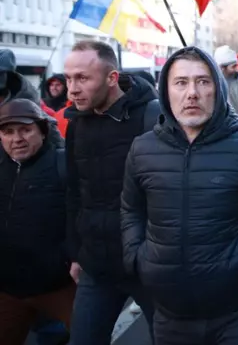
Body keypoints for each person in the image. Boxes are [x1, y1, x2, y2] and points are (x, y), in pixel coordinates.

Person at [121, 46, 238, 345]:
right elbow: (130, 209)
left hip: (237, 311)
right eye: (181, 82)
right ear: (165, 91)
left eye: (203, 82)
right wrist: (138, 258)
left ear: (217, 89)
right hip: (169, 313)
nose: (192, 92)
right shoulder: (142, 149)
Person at [63, 40, 159, 345]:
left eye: (82, 78)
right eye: (68, 78)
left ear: (112, 78)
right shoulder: (76, 124)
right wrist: (76, 253)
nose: (72, 89)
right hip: (96, 265)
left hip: (149, 265)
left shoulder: (152, 118)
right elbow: (74, 192)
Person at [0, 100, 74, 345]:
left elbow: (85, 217)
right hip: (9, 288)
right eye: (8, 132)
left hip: (57, 286)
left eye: (25, 129)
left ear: (42, 131)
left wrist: (71, 257)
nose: (17, 138)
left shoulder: (64, 164)